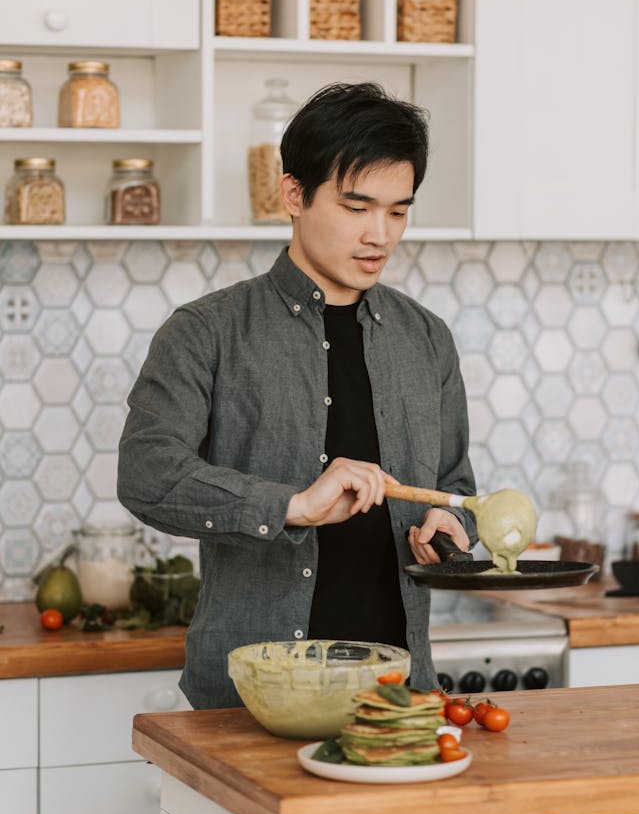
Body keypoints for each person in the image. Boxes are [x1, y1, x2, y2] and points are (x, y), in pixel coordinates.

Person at [118, 81, 477, 707]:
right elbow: (147, 474)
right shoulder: (207, 332)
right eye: (356, 206)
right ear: (293, 194)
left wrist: (450, 525)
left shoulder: (427, 338)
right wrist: (292, 505)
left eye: (398, 211)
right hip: (248, 704)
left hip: (398, 702)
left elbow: (456, 486)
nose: (380, 235)